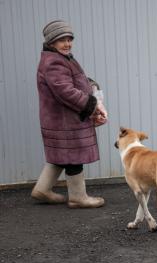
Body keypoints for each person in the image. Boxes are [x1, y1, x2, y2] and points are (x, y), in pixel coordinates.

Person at [31, 20, 107, 208]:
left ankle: (42, 189)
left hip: (62, 119)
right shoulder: (54, 62)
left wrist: (94, 91)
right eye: (61, 40)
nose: (67, 43)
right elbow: (65, 91)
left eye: (69, 39)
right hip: (65, 121)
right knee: (74, 156)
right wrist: (92, 104)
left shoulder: (61, 58)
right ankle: (77, 197)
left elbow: (76, 81)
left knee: (61, 155)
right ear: (51, 42)